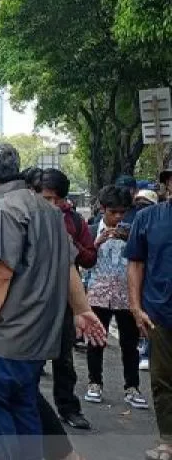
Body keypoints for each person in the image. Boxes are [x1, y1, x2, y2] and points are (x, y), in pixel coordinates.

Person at [0, 143, 101, 460]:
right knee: (25, 423)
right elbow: (68, 265)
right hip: (33, 344)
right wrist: (82, 308)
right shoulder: (47, 210)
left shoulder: (4, 210)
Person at [37, 168, 98, 429]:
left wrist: (70, 244)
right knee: (27, 361)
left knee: (64, 358)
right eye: (45, 198)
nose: (50, 205)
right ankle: (28, 409)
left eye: (55, 200)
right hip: (31, 301)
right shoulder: (23, 219)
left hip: (64, 300)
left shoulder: (73, 221)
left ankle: (68, 408)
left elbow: (89, 258)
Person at [80, 185, 146, 409]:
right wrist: (96, 243)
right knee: (96, 340)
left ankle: (132, 387)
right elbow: (82, 261)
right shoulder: (90, 230)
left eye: (122, 212)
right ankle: (94, 383)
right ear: (102, 209)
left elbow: (141, 260)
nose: (118, 217)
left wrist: (129, 240)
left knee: (130, 343)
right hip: (97, 294)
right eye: (113, 212)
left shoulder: (134, 230)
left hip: (127, 295)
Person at [127, 179, 172, 460]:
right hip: (160, 313)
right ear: (167, 183)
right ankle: (168, 441)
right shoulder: (148, 218)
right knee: (163, 380)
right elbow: (135, 262)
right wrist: (134, 306)